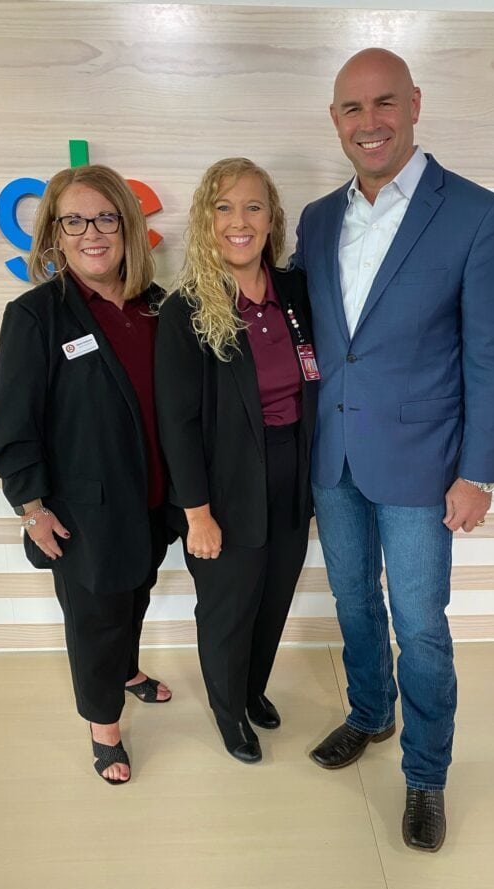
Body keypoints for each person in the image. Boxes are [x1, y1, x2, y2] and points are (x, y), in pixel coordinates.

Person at [292, 48, 494, 851]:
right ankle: (369, 713)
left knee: (420, 624)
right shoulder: (318, 220)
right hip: (336, 457)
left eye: (384, 103)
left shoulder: (474, 214)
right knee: (354, 604)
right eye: (352, 110)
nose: (370, 123)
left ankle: (426, 775)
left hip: (428, 466)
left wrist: (479, 471)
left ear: (416, 105)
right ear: (335, 120)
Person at [0, 165, 172, 785]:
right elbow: (12, 425)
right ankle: (104, 726)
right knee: (95, 616)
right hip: (84, 511)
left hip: (154, 499)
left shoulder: (159, 308)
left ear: (126, 225)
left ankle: (126, 670)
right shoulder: (37, 316)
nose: (91, 232)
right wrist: (31, 507)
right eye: (74, 220)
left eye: (105, 217)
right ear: (55, 234)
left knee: (136, 591)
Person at [155, 158, 317, 763]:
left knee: (274, 597)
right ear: (205, 219)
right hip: (223, 489)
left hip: (291, 475)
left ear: (272, 217)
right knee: (229, 608)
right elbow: (178, 423)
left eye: (253, 206)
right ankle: (229, 713)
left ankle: (252, 691)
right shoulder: (187, 310)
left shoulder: (295, 294)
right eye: (224, 207)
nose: (239, 221)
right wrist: (197, 512)